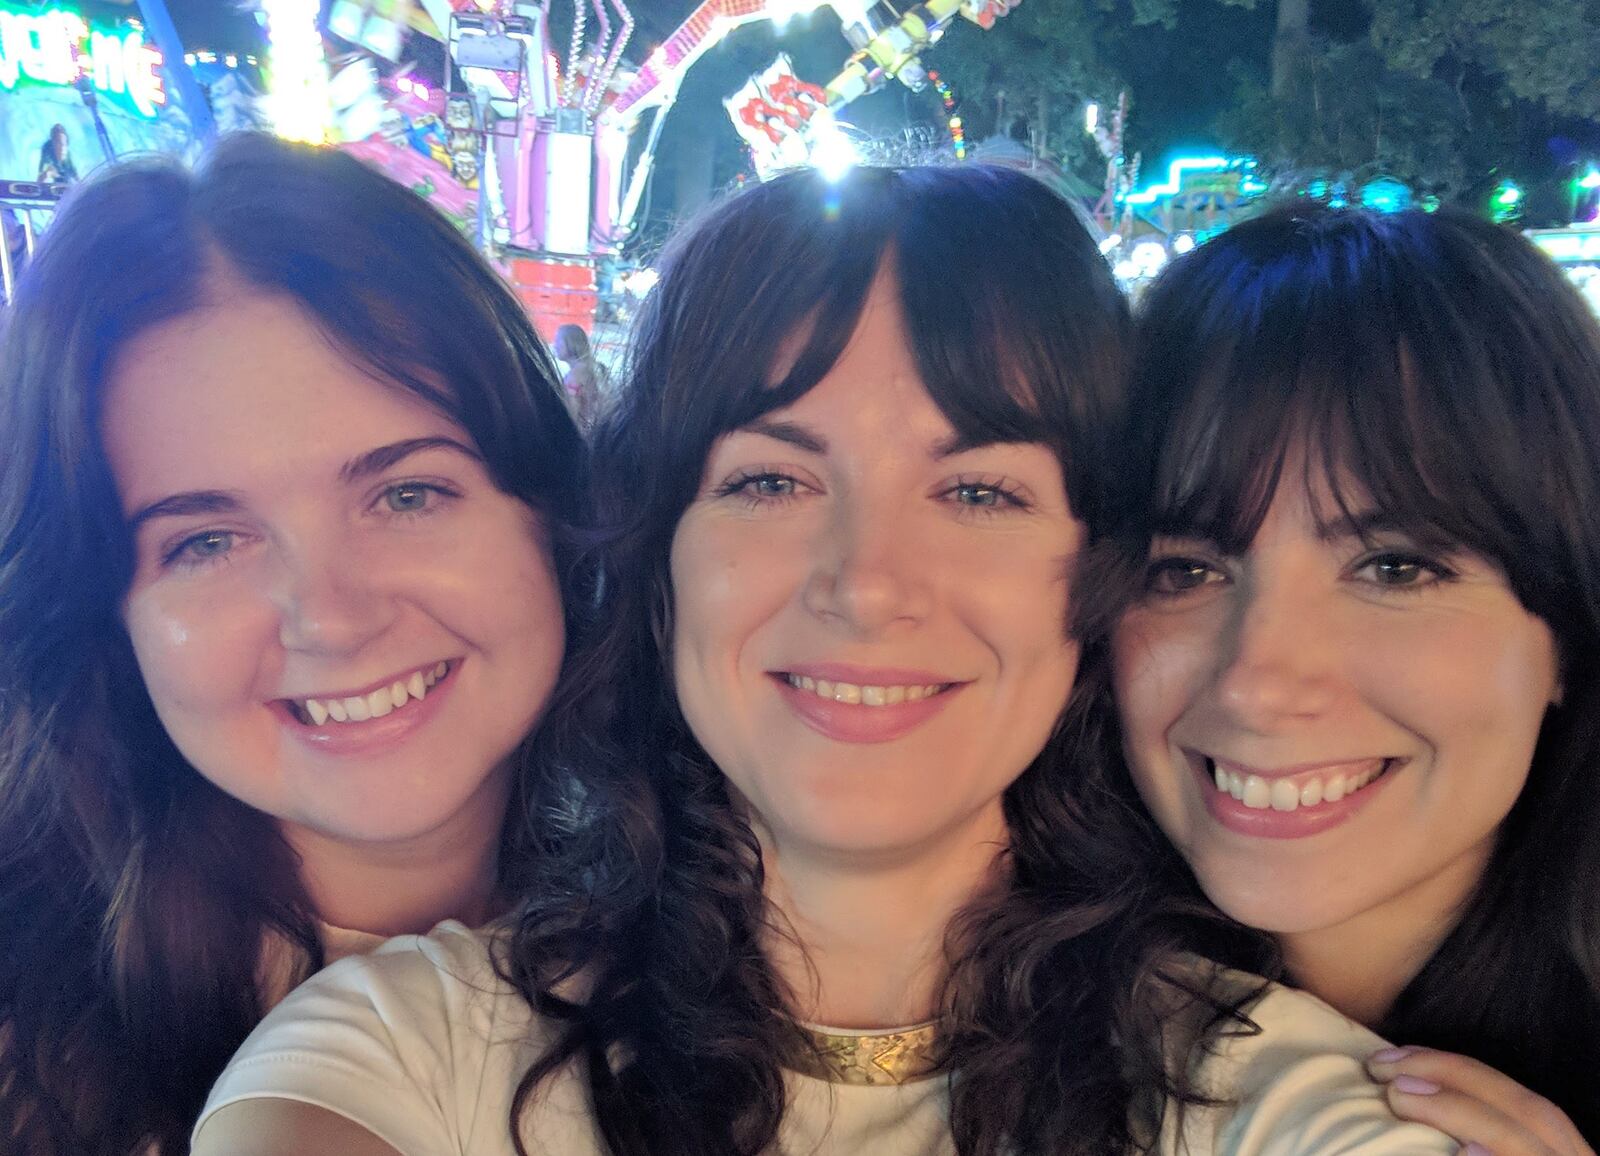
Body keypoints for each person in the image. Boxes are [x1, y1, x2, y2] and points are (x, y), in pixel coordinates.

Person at [192, 167, 1451, 1154]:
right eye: (770, 478)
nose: (865, 582)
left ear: (1101, 571)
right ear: (657, 563)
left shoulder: (1303, 1099)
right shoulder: (398, 1053)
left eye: (977, 489)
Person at [0, 133, 585, 1155]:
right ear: (104, 609)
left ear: (549, 510)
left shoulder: (745, 941)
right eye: (207, 540)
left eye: (408, 492)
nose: (331, 615)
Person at [1111, 205, 1600, 1152]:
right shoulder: (990, 1030)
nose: (1257, 682)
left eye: (1396, 568)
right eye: (1185, 569)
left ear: (1566, 636)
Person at [552, 322, 605, 430]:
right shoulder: (594, 368)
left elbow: (572, 413)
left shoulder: (574, 377)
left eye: (558, 341)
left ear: (571, 343)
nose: (555, 345)